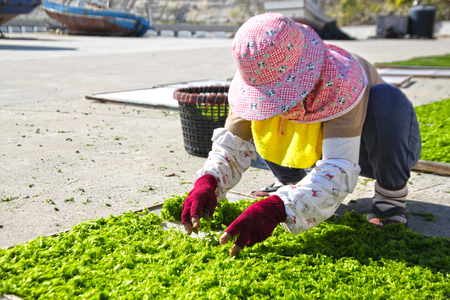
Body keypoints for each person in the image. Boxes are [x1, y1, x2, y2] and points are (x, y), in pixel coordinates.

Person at [181, 13, 421, 256]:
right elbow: (233, 142)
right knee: (268, 114)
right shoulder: (258, 74)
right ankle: (290, 181)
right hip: (315, 145)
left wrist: (278, 209)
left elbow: (338, 168)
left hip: (372, 148)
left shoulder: (343, 79)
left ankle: (390, 198)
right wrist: (208, 181)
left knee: (389, 99)